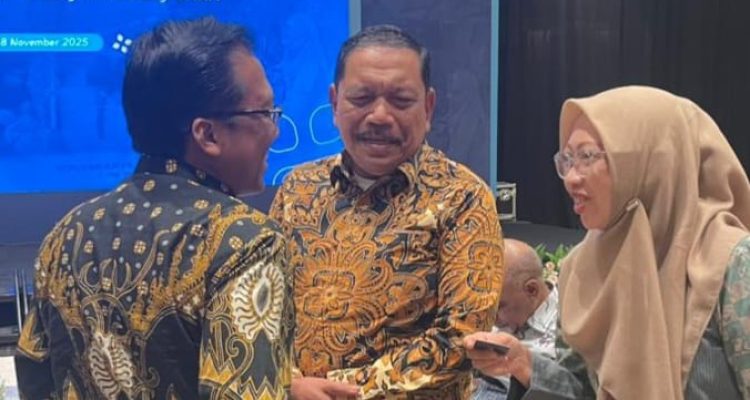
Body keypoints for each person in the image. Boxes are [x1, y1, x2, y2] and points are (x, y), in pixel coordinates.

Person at [15, 17, 296, 399]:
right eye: (263, 113)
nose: (274, 130)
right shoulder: (245, 242)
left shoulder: (66, 234)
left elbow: (35, 377)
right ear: (208, 134)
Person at [464, 85, 750, 400]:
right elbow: (586, 390)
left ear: (651, 161)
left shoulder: (732, 264)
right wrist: (525, 365)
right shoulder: (581, 267)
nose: (571, 177)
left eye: (588, 157)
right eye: (568, 159)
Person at [270, 24, 504, 399]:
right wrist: (289, 381)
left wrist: (338, 392)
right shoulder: (298, 188)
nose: (379, 116)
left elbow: (461, 336)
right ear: (334, 103)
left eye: (401, 100)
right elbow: (267, 302)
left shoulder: (463, 197)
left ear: (428, 107)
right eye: (361, 98)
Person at [472, 239, 558, 400]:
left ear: (531, 290)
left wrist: (524, 367)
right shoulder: (501, 299)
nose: (492, 320)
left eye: (499, 307)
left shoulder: (570, 326)